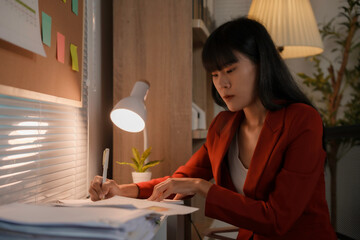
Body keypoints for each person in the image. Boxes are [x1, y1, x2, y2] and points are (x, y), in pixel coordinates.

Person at [89, 17, 336, 239]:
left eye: (230, 70)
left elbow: (276, 219)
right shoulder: (223, 126)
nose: (222, 83)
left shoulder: (302, 121)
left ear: (261, 65)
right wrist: (122, 190)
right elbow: (180, 180)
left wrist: (201, 187)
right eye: (215, 74)